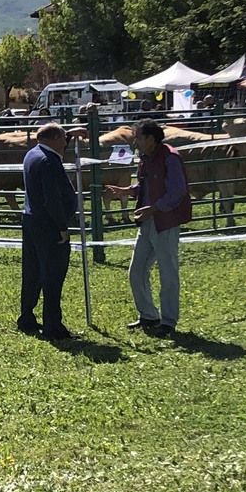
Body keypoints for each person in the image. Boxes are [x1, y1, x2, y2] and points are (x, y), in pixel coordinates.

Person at [106, 118, 192, 335]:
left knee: (168, 273)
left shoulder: (170, 158)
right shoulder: (145, 158)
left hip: (165, 222)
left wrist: (153, 209)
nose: (135, 142)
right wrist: (127, 191)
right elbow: (144, 185)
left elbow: (177, 192)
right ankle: (149, 316)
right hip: (146, 222)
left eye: (138, 138)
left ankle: (169, 321)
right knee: (136, 271)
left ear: (151, 139)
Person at [16, 123, 76, 340]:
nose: (66, 142)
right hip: (49, 225)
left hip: (32, 221)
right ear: (55, 139)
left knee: (32, 272)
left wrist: (72, 133)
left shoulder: (32, 154)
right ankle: (53, 326)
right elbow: (53, 199)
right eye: (64, 138)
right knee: (53, 275)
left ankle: (27, 317)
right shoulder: (49, 161)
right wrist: (62, 227)